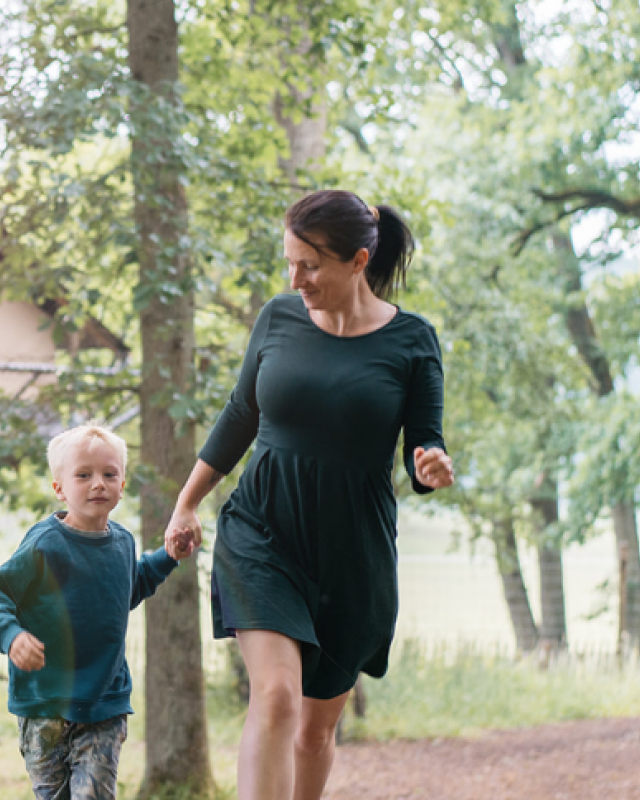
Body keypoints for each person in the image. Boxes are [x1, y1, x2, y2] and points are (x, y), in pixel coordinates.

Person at [164, 189, 455, 800]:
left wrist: (429, 464)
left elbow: (424, 440)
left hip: (355, 554)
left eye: (311, 264)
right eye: (290, 261)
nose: (295, 278)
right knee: (274, 697)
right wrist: (187, 501)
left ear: (357, 261)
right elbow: (241, 412)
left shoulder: (411, 341)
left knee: (315, 733)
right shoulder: (278, 317)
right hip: (262, 531)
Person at [0, 424, 191, 800]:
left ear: (122, 485)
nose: (98, 484)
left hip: (103, 701)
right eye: (84, 475)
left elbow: (129, 586)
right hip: (44, 704)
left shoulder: (123, 542)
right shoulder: (45, 544)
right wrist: (11, 637)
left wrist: (168, 556)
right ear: (59, 487)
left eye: (110, 474)